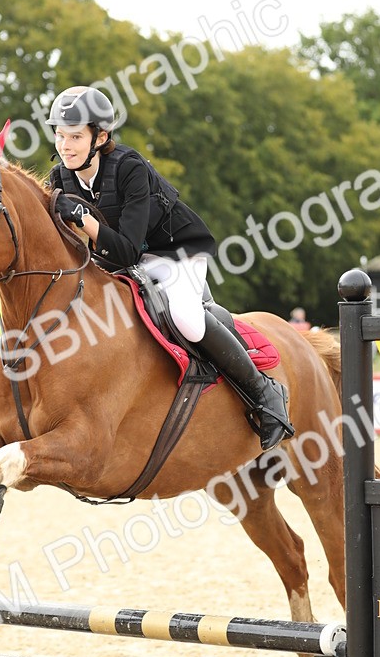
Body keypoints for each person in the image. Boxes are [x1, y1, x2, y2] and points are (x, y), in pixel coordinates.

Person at [46, 85, 294, 451]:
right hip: (116, 259)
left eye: (75, 137)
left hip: (176, 252)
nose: (65, 145)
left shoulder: (129, 168)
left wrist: (83, 219)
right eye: (60, 135)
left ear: (100, 137)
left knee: (186, 320)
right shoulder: (60, 178)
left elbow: (128, 251)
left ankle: (265, 393)